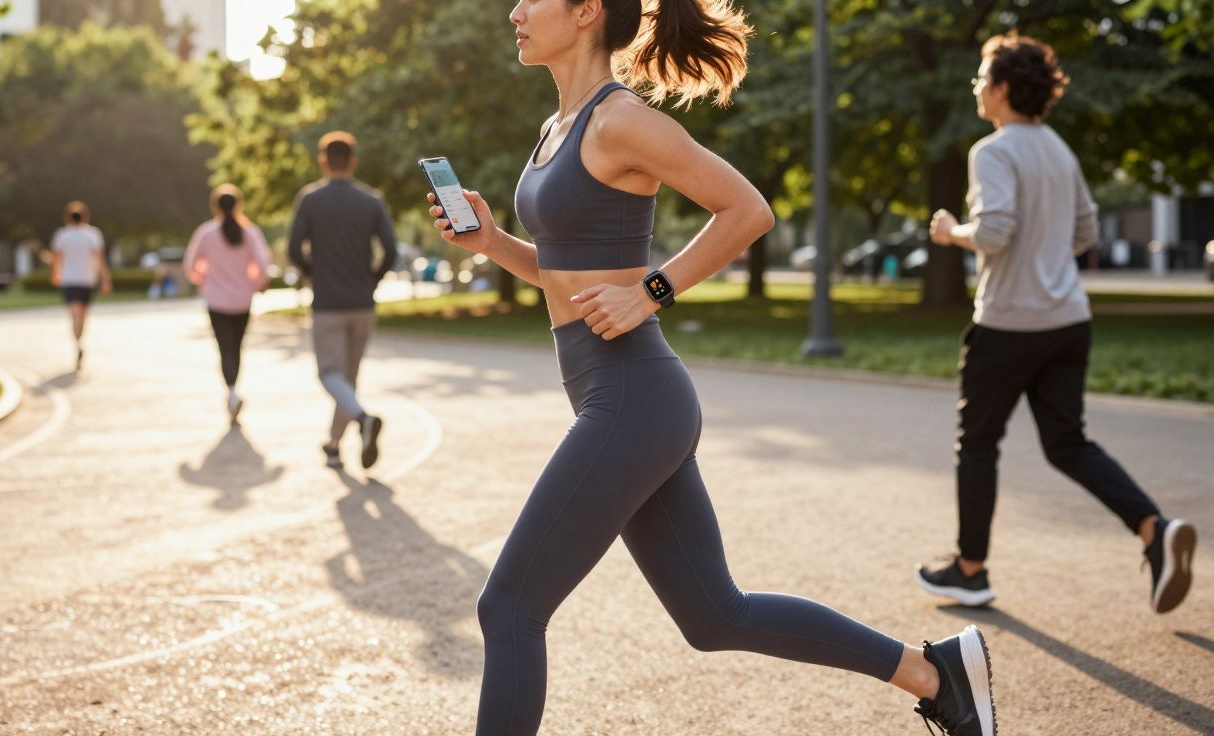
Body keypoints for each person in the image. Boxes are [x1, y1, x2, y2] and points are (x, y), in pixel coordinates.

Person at [424, 1, 997, 734]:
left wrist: (654, 291)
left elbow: (748, 210)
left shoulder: (620, 120)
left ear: (587, 11)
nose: (515, 10)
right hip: (619, 395)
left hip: (632, 395)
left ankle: (937, 673)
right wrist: (495, 243)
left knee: (509, 607)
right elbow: (568, 275)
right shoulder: (556, 128)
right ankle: (934, 672)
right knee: (713, 614)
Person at [921, 32, 1196, 615]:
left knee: (978, 445)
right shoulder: (1059, 149)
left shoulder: (992, 151)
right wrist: (1046, 262)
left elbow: (994, 232)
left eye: (980, 78)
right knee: (1068, 442)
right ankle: (1153, 528)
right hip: (1068, 320)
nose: (976, 87)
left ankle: (970, 571)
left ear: (1000, 89)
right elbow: (1087, 232)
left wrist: (950, 234)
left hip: (1009, 324)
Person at [288, 131, 397, 470]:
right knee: (347, 379)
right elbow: (391, 251)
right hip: (362, 303)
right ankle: (334, 445)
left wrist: (313, 273)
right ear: (353, 161)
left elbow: (294, 250)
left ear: (323, 160)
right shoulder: (371, 200)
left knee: (329, 375)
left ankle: (363, 419)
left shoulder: (310, 199)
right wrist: (372, 281)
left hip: (328, 303)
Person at [183, 184, 272, 424]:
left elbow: (191, 264)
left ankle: (231, 392)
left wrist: (203, 282)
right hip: (242, 299)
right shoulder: (250, 233)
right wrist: (254, 284)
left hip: (217, 300)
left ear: (214, 206)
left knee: (225, 348)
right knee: (237, 347)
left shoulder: (207, 233)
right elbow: (263, 264)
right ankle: (233, 391)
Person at [49, 201, 112, 370]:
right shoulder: (92, 235)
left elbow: (56, 258)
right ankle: (80, 341)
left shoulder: (62, 235)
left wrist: (55, 274)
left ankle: (78, 343)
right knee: (83, 315)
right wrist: (105, 280)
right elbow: (100, 259)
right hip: (87, 280)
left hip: (69, 280)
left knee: (75, 315)